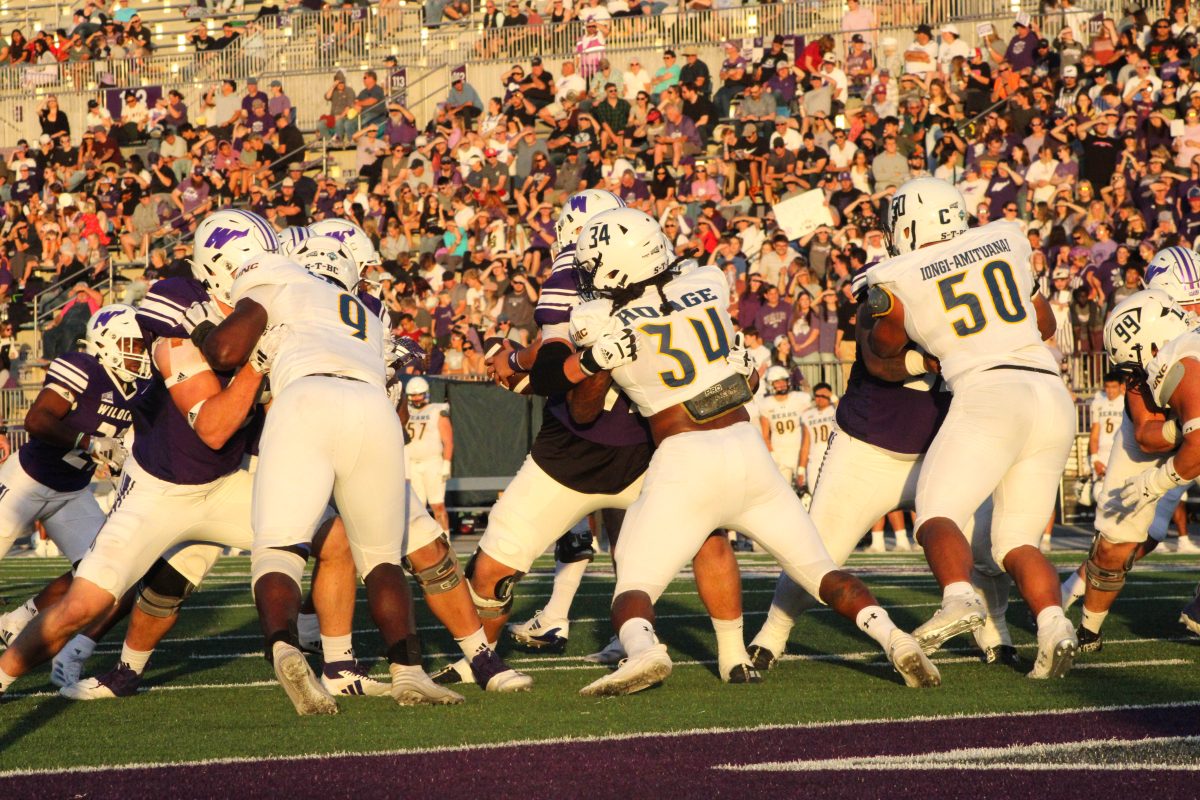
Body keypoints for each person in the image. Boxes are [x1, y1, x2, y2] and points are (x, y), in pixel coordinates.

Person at [563, 207, 939, 696]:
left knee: (632, 581)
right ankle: (893, 636)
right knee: (821, 571)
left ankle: (644, 650)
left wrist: (594, 360)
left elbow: (585, 411)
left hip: (685, 458)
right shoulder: (707, 283)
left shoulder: (601, 319)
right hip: (748, 451)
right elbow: (746, 375)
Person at [196, 232, 525, 714]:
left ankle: (285, 646)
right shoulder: (366, 315)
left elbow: (224, 352)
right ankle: (409, 671)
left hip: (305, 398)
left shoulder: (281, 278)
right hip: (370, 406)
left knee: (281, 549)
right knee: (383, 559)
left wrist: (221, 341)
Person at [478, 190, 754, 687]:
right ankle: (733, 656)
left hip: (579, 446)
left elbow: (555, 365)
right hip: (655, 435)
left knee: (497, 562)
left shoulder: (569, 275)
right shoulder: (679, 273)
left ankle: (478, 656)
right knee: (706, 536)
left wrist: (516, 362)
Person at [864, 177, 1077, 679]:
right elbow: (1044, 324)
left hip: (989, 393)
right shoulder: (1003, 241)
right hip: (1050, 393)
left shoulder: (901, 274)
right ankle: (1052, 624)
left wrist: (893, 316)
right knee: (1016, 540)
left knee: (937, 512)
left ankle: (958, 597)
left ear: (910, 227)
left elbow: (885, 348)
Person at [1060, 248, 1200, 648]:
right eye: (1189, 305)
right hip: (1164, 431)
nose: (1193, 314)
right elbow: (1146, 431)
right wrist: (1183, 430)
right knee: (1127, 535)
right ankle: (1084, 613)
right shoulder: (1150, 347)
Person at [0, 306, 148, 645]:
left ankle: (16, 621)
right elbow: (37, 421)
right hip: (28, 480)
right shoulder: (84, 369)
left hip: (72, 493)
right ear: (108, 342)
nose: (138, 353)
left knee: (101, 573)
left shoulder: (139, 390)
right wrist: (91, 442)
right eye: (133, 344)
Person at [403, 376, 453, 532]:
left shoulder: (437, 410)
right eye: (414, 395)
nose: (417, 398)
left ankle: (446, 542)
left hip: (432, 462)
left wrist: (446, 463)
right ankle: (425, 546)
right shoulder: (405, 412)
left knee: (437, 505)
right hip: (411, 464)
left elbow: (448, 440)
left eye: (420, 394)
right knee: (417, 509)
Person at [757, 365, 811, 486]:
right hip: (779, 452)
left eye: (783, 381)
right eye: (777, 382)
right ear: (770, 384)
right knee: (784, 491)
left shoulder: (799, 398)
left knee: (806, 492)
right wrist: (772, 454)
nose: (781, 384)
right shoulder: (766, 404)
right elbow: (765, 435)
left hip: (799, 450)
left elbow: (808, 430)